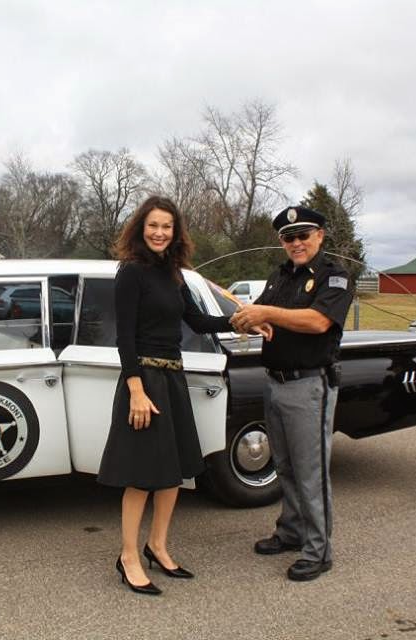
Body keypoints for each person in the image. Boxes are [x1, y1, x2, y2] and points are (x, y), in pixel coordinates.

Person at [97, 195, 269, 596]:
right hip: (145, 383)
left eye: (167, 227)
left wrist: (243, 321)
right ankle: (128, 557)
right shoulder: (131, 272)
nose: (160, 233)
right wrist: (136, 390)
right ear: (142, 228)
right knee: (141, 477)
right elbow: (123, 337)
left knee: (173, 472)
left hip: (174, 381)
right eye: (153, 225)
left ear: (175, 233)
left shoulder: (175, 273)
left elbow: (196, 319)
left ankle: (157, 546)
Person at [231, 205, 352, 582]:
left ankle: (319, 551)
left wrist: (265, 310)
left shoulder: (335, 277)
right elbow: (272, 320)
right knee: (283, 466)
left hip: (309, 386)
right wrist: (251, 322)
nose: (296, 243)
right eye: (288, 237)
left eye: (303, 235)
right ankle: (291, 531)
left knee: (310, 473)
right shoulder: (280, 277)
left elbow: (317, 322)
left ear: (319, 235)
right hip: (276, 382)